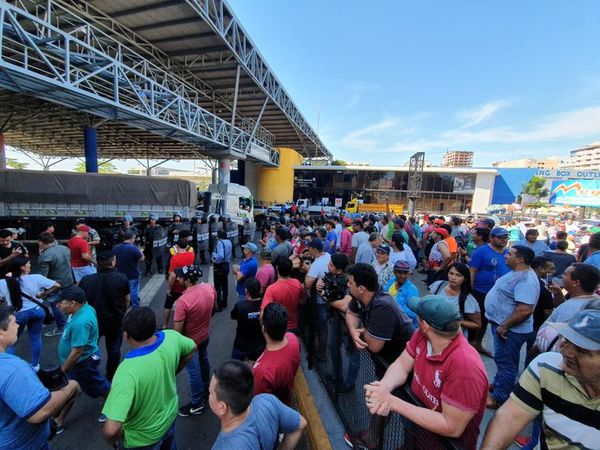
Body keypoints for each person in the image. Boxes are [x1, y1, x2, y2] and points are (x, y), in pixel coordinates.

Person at [364, 295, 488, 450]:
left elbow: (451, 426)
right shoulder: (422, 335)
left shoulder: (465, 366)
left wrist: (392, 402)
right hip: (417, 425)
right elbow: (402, 365)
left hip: (441, 445)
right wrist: (384, 387)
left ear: (425, 325)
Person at [481, 309, 600, 450]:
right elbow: (507, 420)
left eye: (582, 350)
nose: (566, 352)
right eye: (566, 340)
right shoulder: (547, 367)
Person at [102, 307, 196, 449]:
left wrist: (112, 442)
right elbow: (192, 348)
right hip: (169, 419)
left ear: (127, 336)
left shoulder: (126, 372)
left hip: (142, 440)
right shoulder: (172, 336)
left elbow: (111, 430)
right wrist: (173, 371)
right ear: (154, 325)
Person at [0, 303, 81, 449]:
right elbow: (39, 412)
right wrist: (69, 388)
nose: (18, 326)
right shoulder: (12, 370)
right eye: (14, 322)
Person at [484, 245, 540, 408]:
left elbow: (525, 310)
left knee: (505, 362)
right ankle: (499, 383)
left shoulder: (526, 280)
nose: (506, 255)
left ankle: (500, 397)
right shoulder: (518, 273)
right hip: (504, 326)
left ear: (520, 259)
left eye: (510, 254)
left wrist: (504, 326)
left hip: (510, 331)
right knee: (506, 361)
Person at [210, 360, 307, 449]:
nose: (209, 394)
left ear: (222, 407)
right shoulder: (267, 400)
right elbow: (301, 424)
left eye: (210, 392)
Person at [56, 285, 111, 420]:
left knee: (99, 385)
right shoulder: (84, 308)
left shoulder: (81, 322)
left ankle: (114, 406)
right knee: (81, 386)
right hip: (80, 361)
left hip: (82, 362)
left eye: (61, 302)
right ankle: (59, 419)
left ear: (72, 303)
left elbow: (76, 353)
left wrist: (62, 371)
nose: (58, 306)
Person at [345, 263, 414, 364]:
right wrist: (354, 332)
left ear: (361, 289)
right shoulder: (361, 295)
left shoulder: (382, 307)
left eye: (350, 283)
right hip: (387, 360)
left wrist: (364, 332)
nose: (347, 285)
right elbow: (351, 313)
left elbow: (374, 346)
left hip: (400, 364)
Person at [0, 255, 59, 371]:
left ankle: (8, 367)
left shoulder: (3, 283)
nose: (30, 265)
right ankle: (35, 365)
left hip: (18, 314)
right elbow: (57, 285)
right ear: (22, 267)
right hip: (37, 311)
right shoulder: (36, 278)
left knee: (12, 341)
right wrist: (43, 295)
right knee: (36, 337)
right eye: (28, 264)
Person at [78, 250, 130, 381]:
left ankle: (92, 373)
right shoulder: (122, 277)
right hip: (115, 320)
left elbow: (81, 301)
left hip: (93, 321)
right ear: (112, 262)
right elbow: (127, 299)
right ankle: (111, 375)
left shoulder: (86, 280)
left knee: (90, 348)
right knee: (114, 350)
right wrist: (123, 312)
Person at [172, 265, 216, 417]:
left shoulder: (182, 302)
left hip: (190, 342)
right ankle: (206, 390)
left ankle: (197, 404)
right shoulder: (209, 288)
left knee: (193, 372)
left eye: (180, 277)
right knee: (204, 361)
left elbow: (177, 333)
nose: (177, 278)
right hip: (205, 335)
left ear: (188, 281)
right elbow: (214, 309)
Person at [469, 226, 511, 355]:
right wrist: (470, 290)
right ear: (491, 238)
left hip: (500, 294)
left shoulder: (508, 253)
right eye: (500, 237)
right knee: (477, 318)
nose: (503, 240)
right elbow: (473, 270)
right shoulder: (481, 251)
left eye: (505, 237)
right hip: (480, 291)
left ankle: (477, 343)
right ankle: (471, 342)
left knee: (488, 319)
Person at [253, 303, 301, 405]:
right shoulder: (293, 339)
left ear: (263, 329)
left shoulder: (262, 371)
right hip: (286, 400)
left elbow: (261, 404)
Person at [37, 231, 75, 337]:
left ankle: (61, 327)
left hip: (55, 285)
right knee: (68, 303)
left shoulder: (45, 256)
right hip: (68, 281)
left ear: (41, 242)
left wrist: (42, 292)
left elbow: (42, 277)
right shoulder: (65, 248)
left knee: (55, 306)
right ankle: (70, 324)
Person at [429, 262, 482, 337]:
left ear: (465, 279)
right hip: (432, 331)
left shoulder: (467, 299)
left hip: (453, 337)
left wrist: (455, 322)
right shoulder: (438, 286)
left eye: (458, 275)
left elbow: (477, 324)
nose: (453, 278)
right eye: (451, 273)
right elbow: (427, 304)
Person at [304, 238, 332, 355]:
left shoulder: (316, 264)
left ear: (315, 250)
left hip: (319, 301)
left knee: (321, 328)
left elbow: (307, 284)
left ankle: (321, 353)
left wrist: (308, 270)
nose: (309, 252)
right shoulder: (328, 255)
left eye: (310, 250)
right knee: (323, 326)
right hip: (328, 299)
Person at [262, 257, 305, 333]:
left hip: (277, 328)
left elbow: (263, 313)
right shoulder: (297, 284)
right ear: (291, 269)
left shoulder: (271, 289)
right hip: (293, 325)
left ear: (277, 268)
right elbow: (302, 301)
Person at [160, 239, 195, 328]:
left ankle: (164, 325)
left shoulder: (174, 258)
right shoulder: (191, 255)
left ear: (177, 246)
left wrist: (169, 288)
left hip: (176, 286)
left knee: (168, 306)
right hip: (186, 285)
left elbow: (172, 276)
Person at [231, 278, 265, 361]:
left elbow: (233, 316)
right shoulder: (265, 305)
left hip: (241, 344)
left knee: (235, 367)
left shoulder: (240, 305)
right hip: (259, 344)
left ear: (247, 291)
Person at [113, 230, 144, 309]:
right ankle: (135, 306)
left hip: (120, 274)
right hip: (132, 273)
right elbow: (142, 258)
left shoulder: (116, 248)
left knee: (123, 290)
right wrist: (141, 251)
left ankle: (124, 304)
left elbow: (114, 260)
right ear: (132, 238)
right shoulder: (133, 248)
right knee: (133, 291)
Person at [384, 260, 419, 328]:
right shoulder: (392, 281)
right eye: (399, 272)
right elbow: (384, 293)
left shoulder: (412, 290)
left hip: (405, 326)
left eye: (405, 273)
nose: (403, 276)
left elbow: (414, 313)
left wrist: (394, 306)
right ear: (394, 272)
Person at [529, 257, 556, 335]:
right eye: (551, 269)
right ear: (540, 269)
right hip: (537, 326)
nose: (554, 271)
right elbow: (548, 312)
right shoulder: (544, 288)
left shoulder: (527, 280)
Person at [212, 229, 232, 312]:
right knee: (225, 284)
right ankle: (225, 302)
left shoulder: (220, 242)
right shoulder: (229, 242)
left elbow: (220, 255)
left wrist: (214, 257)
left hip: (220, 265)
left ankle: (219, 305)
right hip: (226, 265)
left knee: (218, 286)